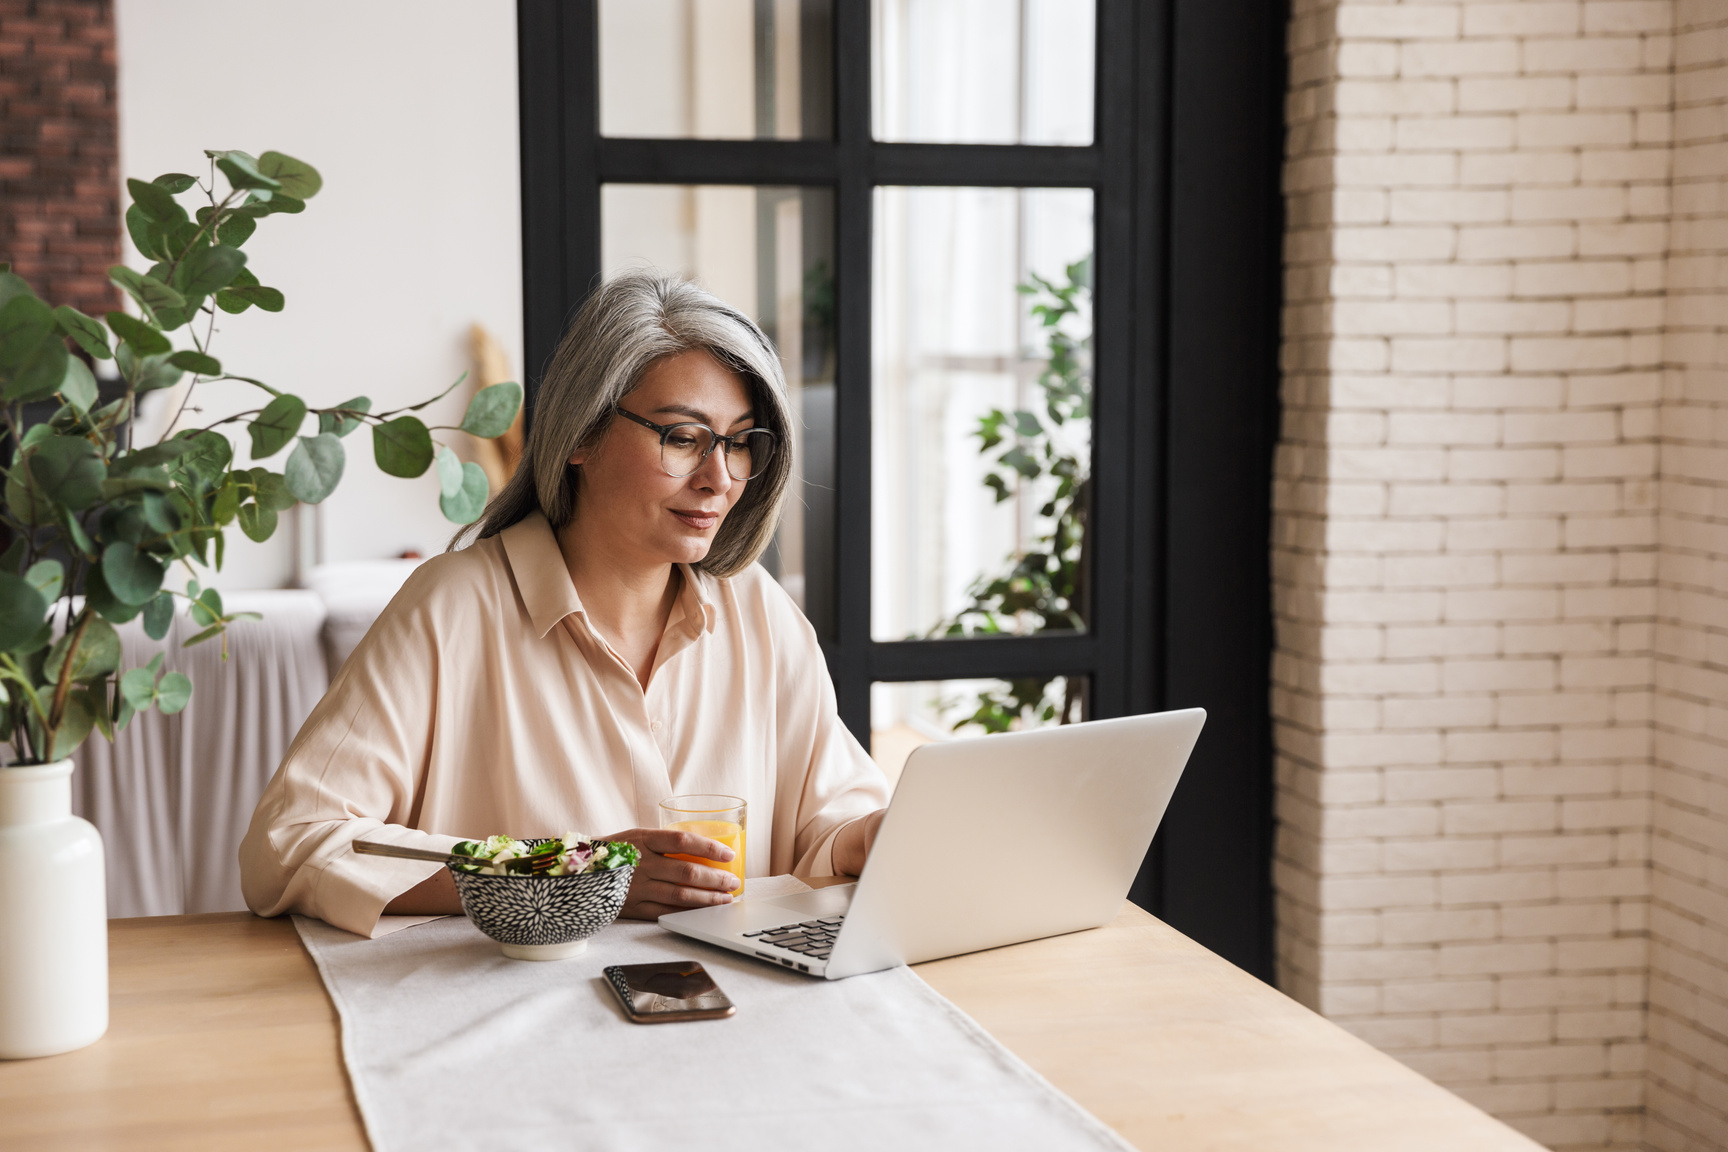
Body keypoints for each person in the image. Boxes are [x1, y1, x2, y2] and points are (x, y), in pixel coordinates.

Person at [238, 272, 889, 938]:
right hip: (507, 1022)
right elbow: (290, 844)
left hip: (732, 1014)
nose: (718, 478)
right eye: (683, 437)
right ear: (582, 434)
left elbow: (828, 824)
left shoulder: (760, 612)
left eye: (740, 442)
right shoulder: (452, 608)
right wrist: (568, 876)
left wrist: (867, 839)